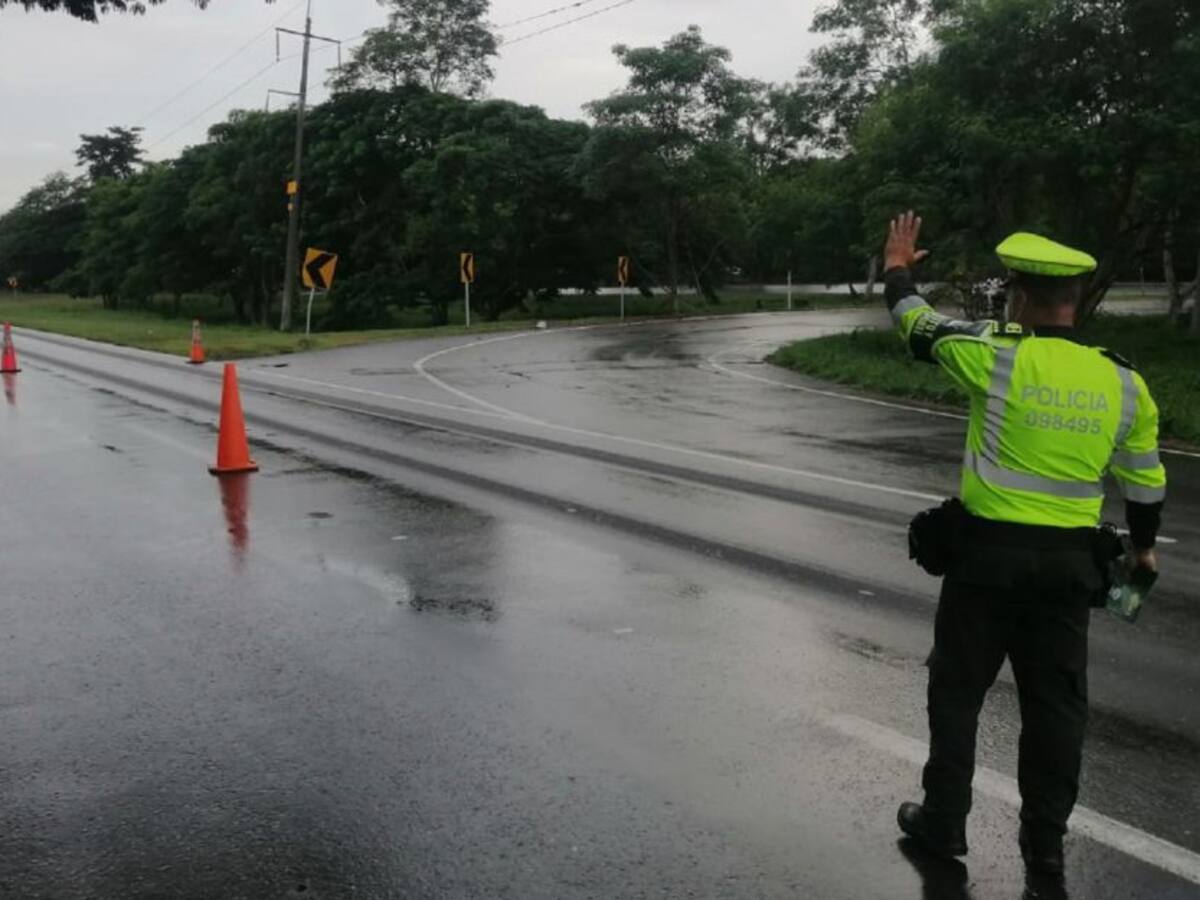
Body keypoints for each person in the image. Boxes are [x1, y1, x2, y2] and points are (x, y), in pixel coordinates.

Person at [882, 213, 1167, 878]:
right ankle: (1043, 847)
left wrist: (899, 266)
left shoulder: (994, 355)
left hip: (984, 563)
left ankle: (944, 824)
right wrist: (1145, 552)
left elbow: (916, 323)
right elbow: (1146, 481)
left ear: (1017, 294)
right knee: (1056, 709)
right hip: (1069, 572)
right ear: (1074, 298)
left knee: (957, 693)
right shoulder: (1124, 381)